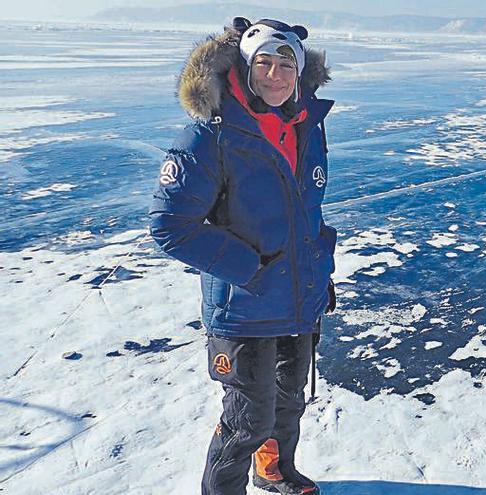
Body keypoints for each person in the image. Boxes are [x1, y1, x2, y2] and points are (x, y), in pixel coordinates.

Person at [149, 16, 336, 495]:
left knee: (289, 403)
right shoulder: (208, 137)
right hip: (243, 305)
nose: (275, 75)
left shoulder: (306, 126)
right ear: (245, 68)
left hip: (297, 299)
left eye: (285, 65)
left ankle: (273, 470)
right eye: (264, 64)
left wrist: (318, 276)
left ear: (300, 72)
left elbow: (304, 215)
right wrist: (249, 268)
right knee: (246, 420)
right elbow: (171, 226)